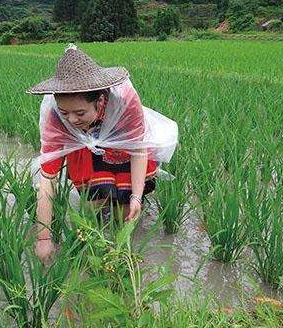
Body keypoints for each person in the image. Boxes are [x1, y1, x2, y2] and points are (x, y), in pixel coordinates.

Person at [26, 45, 177, 262]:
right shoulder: (55, 118)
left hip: (123, 148)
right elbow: (47, 179)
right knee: (92, 208)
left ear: (99, 101)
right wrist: (43, 238)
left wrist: (135, 196)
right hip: (85, 153)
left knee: (125, 214)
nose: (72, 120)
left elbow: (137, 149)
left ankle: (124, 249)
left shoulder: (124, 102)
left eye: (79, 113)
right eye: (64, 112)